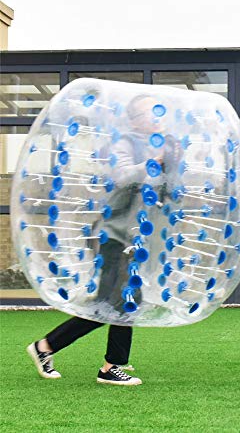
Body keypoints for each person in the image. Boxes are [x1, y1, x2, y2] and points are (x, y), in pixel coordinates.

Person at [27, 93, 179, 385]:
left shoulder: (155, 145)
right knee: (118, 302)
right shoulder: (124, 144)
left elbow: (161, 188)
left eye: (158, 113)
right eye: (151, 113)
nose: (157, 118)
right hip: (117, 237)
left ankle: (52, 348)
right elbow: (122, 178)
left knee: (118, 301)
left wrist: (169, 164)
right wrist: (152, 162)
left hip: (134, 236)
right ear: (136, 120)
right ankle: (104, 366)